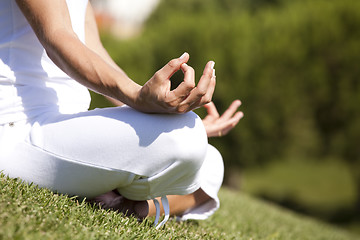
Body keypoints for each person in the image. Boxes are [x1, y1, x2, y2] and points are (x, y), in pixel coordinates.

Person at [0, 0, 243, 228]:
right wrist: (138, 98)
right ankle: (120, 195)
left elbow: (92, 50)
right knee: (186, 141)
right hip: (17, 128)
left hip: (66, 126)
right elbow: (58, 36)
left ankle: (130, 205)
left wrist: (160, 113)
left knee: (211, 160)